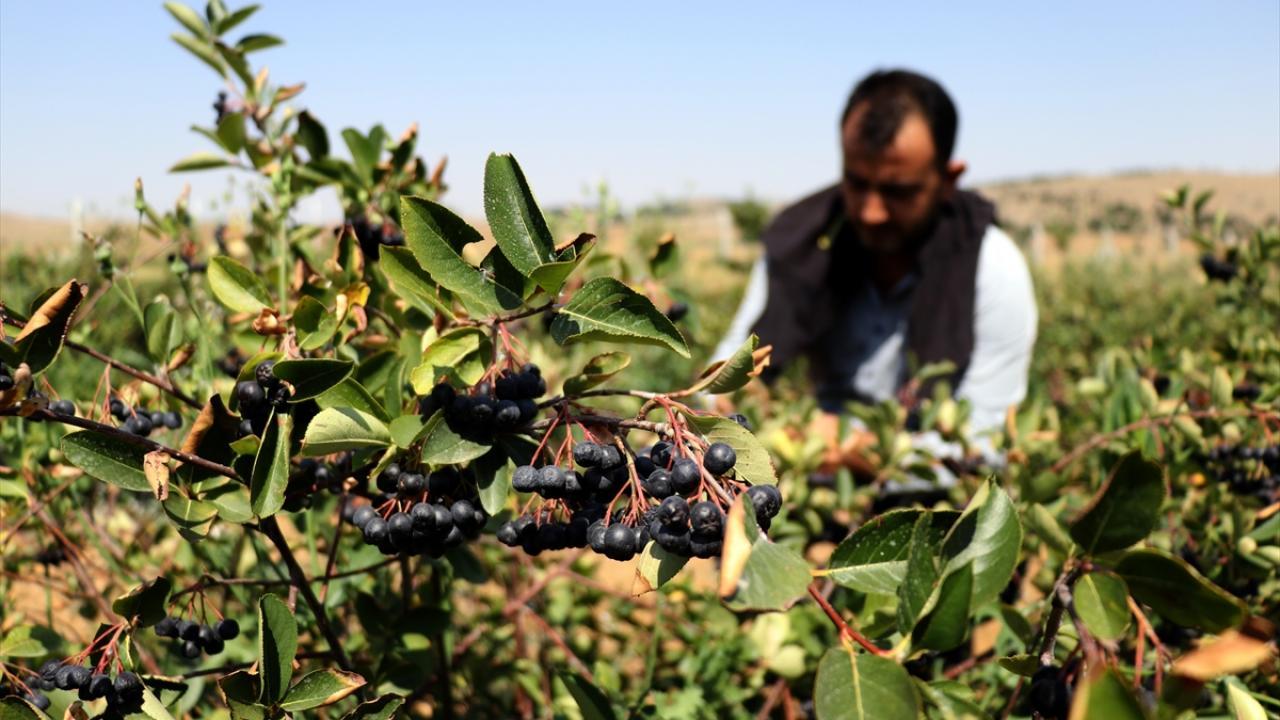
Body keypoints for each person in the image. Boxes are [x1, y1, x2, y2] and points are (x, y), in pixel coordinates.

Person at [713, 69, 1037, 476]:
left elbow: (985, 442)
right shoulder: (802, 242)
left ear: (948, 180)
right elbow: (724, 378)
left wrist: (858, 452)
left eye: (898, 191)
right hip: (804, 480)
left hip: (929, 499)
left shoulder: (993, 268)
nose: (871, 212)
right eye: (856, 182)